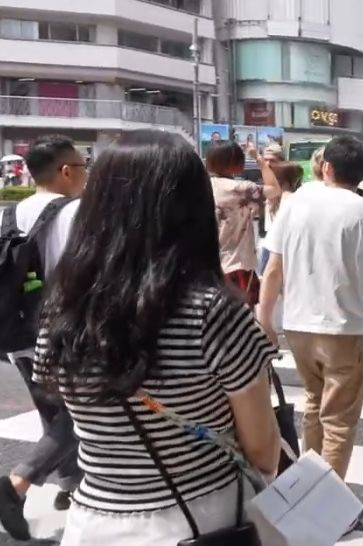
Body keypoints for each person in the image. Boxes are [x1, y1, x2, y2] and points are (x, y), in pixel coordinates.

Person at [36, 130, 280, 545]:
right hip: (202, 517)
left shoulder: (63, 309)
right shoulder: (214, 312)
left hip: (93, 522)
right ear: (192, 208)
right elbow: (262, 451)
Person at [258, 136, 363, 479]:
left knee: (314, 407)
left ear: (326, 168)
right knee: (339, 421)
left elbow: (273, 269)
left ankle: (309, 490)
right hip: (343, 325)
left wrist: (265, 318)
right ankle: (327, 504)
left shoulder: (295, 204)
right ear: (362, 174)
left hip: (298, 324)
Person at [0, 137, 86, 539]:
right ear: (66, 171)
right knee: (80, 415)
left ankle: (70, 488)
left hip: (17, 331)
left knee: (53, 414)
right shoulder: (78, 212)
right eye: (83, 165)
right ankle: (16, 485)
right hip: (63, 333)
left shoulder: (10, 213)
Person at [206, 141, 264, 304]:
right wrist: (258, 157)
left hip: (207, 267)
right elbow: (274, 189)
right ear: (236, 163)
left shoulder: (200, 186)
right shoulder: (242, 189)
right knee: (241, 320)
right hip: (236, 264)